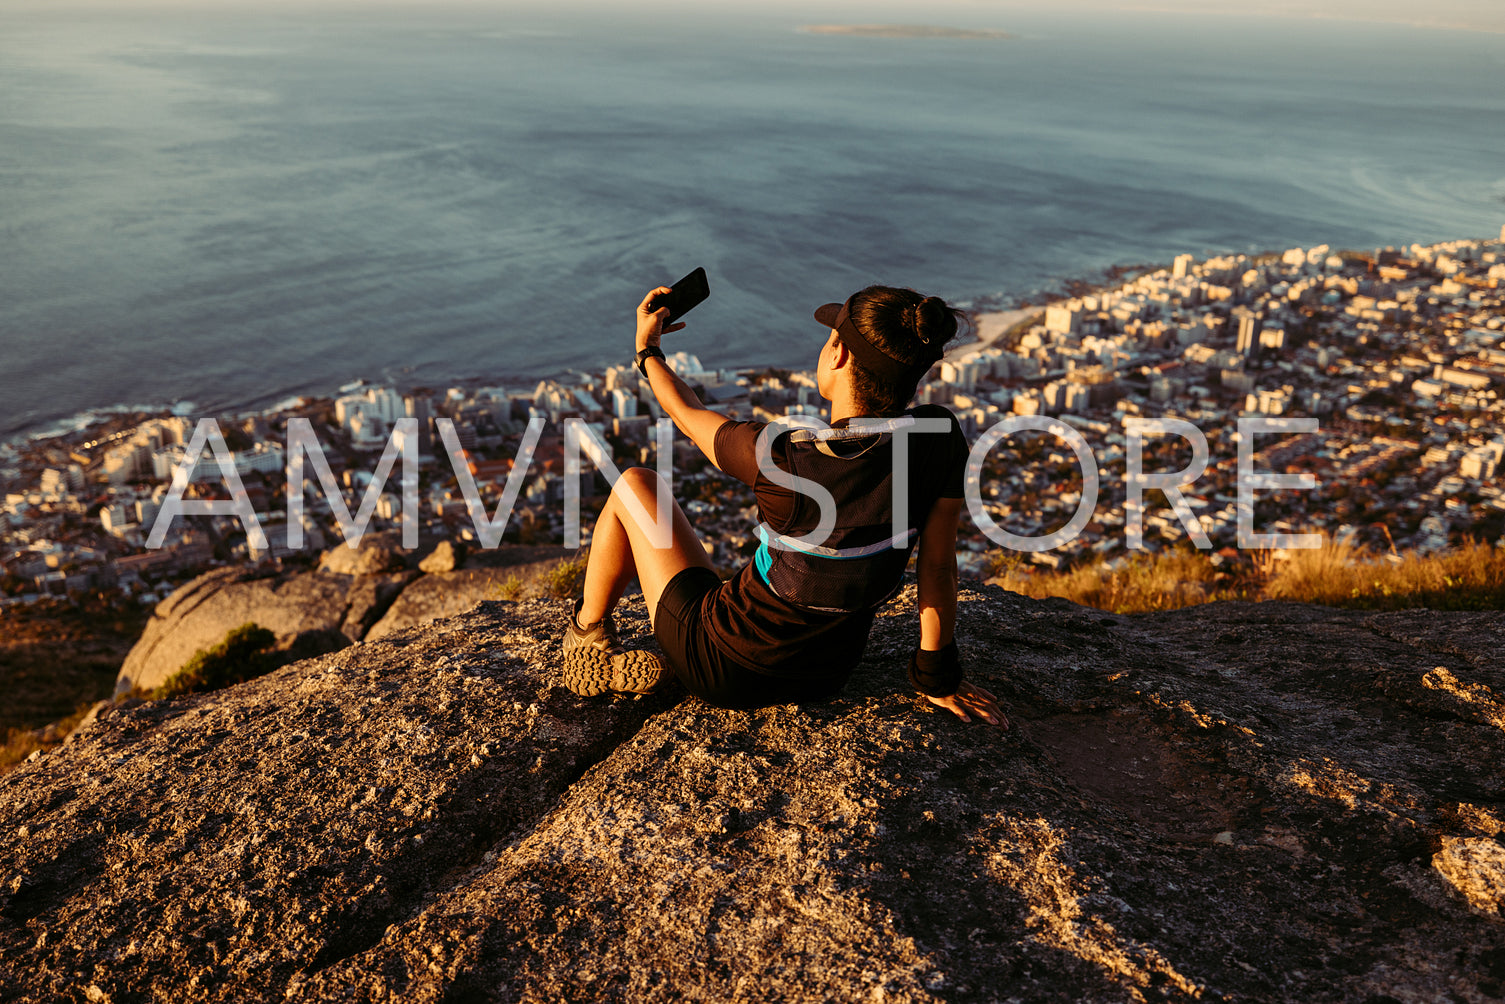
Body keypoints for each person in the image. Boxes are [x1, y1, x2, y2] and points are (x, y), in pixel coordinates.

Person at [560, 283, 1006, 727]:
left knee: (637, 484)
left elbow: (686, 412)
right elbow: (939, 569)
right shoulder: (938, 438)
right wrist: (937, 678)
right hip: (828, 674)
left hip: (723, 669)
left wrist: (647, 350)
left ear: (839, 355)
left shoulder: (785, 454)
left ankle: (586, 637)